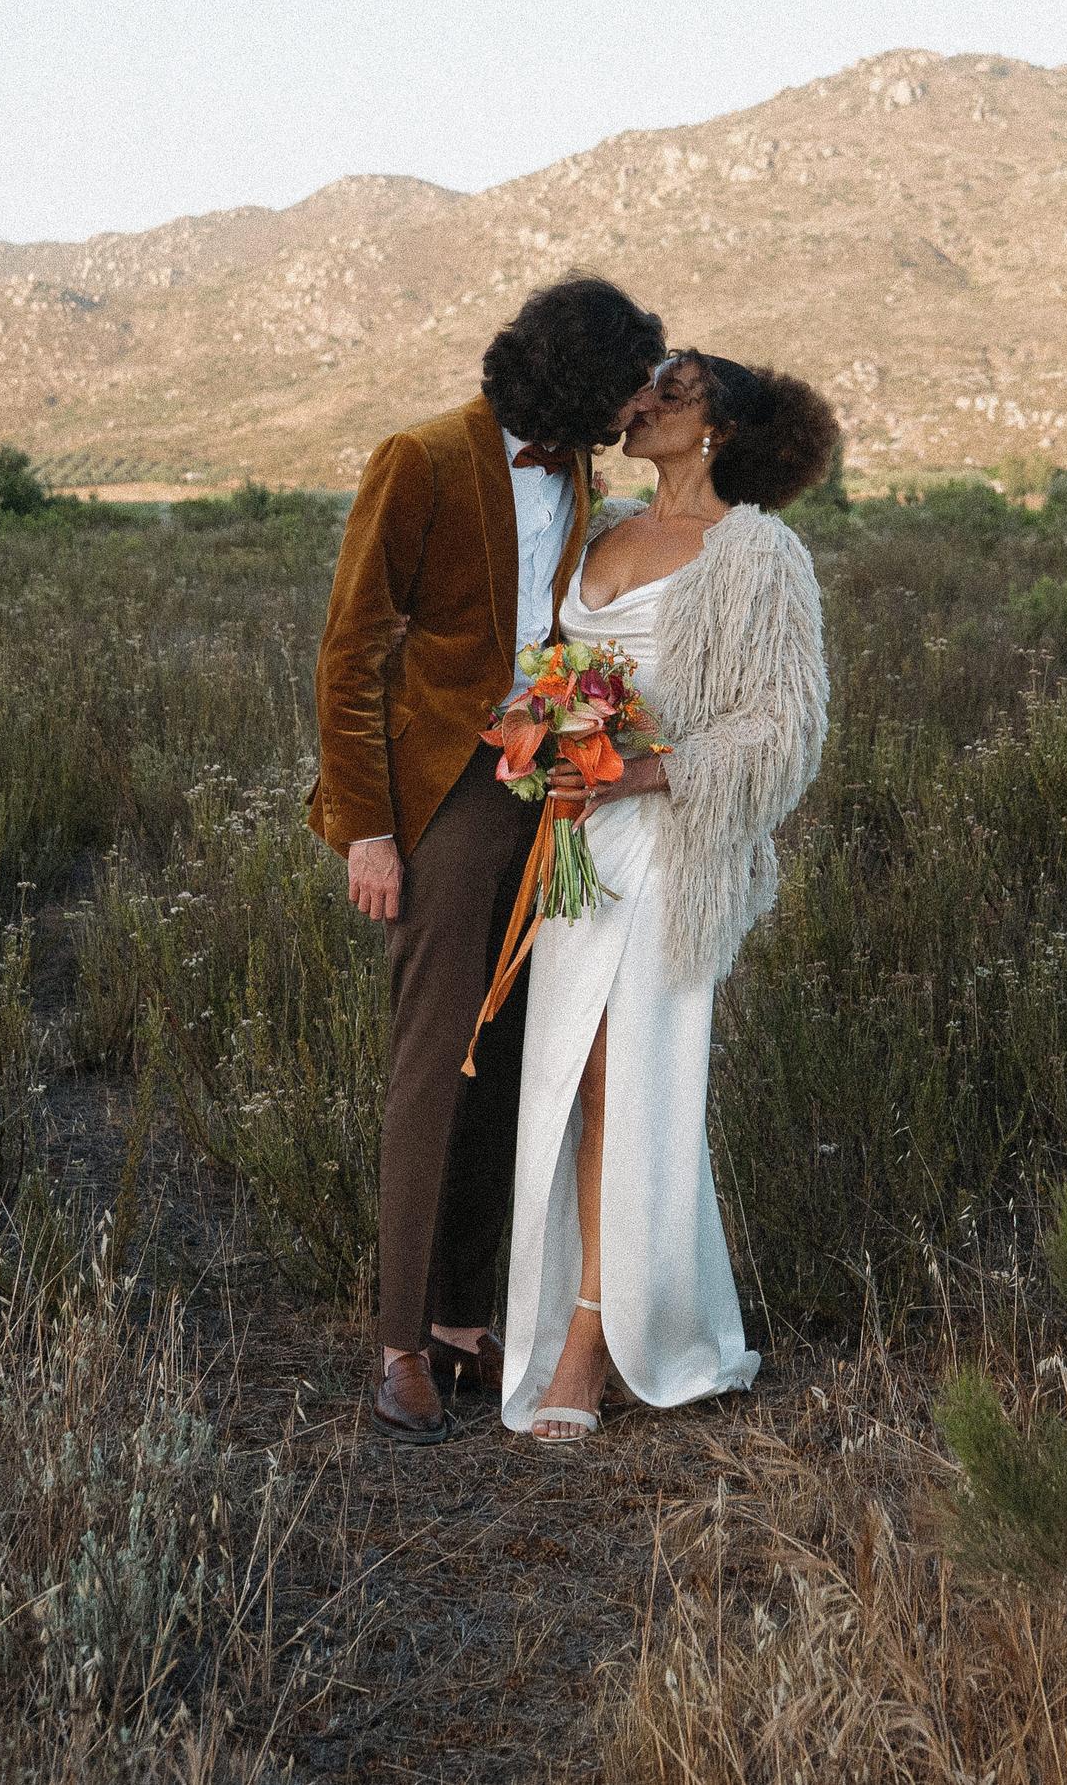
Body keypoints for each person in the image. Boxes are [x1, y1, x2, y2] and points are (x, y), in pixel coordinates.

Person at [309, 274, 667, 1443]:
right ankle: (400, 1341)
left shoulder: (568, 467)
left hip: (545, 776)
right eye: (622, 380)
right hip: (447, 787)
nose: (634, 404)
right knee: (432, 1057)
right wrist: (368, 825)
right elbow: (350, 650)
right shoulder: (418, 458)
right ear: (573, 375)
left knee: (508, 1051)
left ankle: (469, 1313)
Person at [495, 347, 839, 1442]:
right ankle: (606, 1310)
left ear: (719, 430)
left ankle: (593, 1347)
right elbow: (540, 660)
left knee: (620, 1074)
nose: (634, 405)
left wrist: (643, 770)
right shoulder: (598, 534)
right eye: (638, 387)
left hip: (667, 846)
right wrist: (534, 729)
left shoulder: (758, 553)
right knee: (573, 1081)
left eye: (667, 396)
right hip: (573, 848)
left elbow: (785, 725)